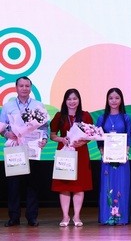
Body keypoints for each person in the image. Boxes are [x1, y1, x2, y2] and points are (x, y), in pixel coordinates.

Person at [0, 76, 49, 227]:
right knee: (13, 185)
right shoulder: (7, 106)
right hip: (14, 148)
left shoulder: (38, 105)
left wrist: (44, 139)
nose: (24, 88)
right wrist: (7, 133)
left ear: (31, 88)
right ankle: (14, 217)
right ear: (16, 88)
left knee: (32, 184)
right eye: (21, 86)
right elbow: (2, 128)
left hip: (32, 149)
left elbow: (44, 127)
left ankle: (32, 217)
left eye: (27, 86)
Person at [50, 88, 94, 227]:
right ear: (65, 101)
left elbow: (90, 136)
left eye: (75, 99)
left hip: (80, 153)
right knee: (64, 185)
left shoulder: (85, 116)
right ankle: (65, 216)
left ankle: (76, 216)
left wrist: (82, 142)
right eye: (69, 99)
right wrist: (62, 139)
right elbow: (52, 135)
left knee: (79, 186)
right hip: (64, 152)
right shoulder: (59, 116)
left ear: (79, 100)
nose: (72, 101)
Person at [96, 87, 131, 225]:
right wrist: (102, 153)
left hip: (122, 159)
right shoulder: (101, 118)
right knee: (107, 186)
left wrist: (126, 153)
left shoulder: (126, 118)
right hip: (107, 159)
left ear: (121, 100)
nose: (114, 101)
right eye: (111, 98)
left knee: (122, 186)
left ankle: (121, 218)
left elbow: (128, 137)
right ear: (107, 100)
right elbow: (98, 138)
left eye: (117, 98)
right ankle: (107, 217)